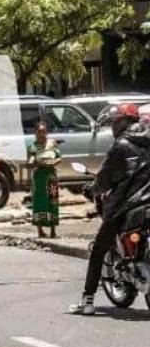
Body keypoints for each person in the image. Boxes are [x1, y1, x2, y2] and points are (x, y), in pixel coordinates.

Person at [71, 103, 150, 315]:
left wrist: (93, 189)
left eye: (116, 122)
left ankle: (87, 301)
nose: (114, 127)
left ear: (125, 122)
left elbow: (105, 179)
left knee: (98, 251)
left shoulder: (121, 146)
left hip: (127, 204)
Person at [27, 121, 61, 238]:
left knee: (53, 201)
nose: (42, 134)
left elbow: (59, 157)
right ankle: (40, 230)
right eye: (39, 132)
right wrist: (33, 162)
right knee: (39, 202)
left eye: (44, 131)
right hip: (39, 178)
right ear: (35, 133)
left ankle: (53, 230)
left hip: (51, 176)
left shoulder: (53, 144)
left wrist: (53, 162)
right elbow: (31, 160)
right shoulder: (33, 146)